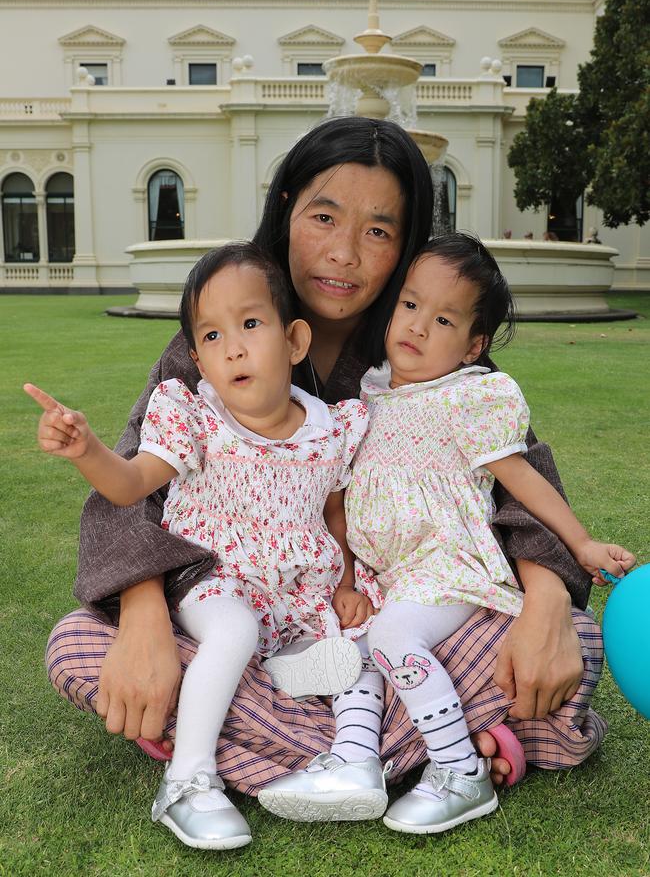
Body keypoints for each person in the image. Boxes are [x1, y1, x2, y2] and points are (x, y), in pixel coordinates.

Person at [46, 117, 604, 800]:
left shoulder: (425, 351)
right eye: (324, 217)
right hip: (243, 622)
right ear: (285, 210)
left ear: (405, 246)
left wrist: (545, 602)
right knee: (80, 646)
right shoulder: (222, 338)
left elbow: (520, 478)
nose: (343, 253)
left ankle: (251, 749)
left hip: (381, 624)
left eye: (378, 230)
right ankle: (435, 747)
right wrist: (141, 617)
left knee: (572, 635)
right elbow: (132, 486)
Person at [258, 234, 634, 833]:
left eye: (443, 319)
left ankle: (461, 770)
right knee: (354, 650)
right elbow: (342, 506)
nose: (418, 327)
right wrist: (350, 580)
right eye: (410, 306)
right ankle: (355, 762)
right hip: (393, 575)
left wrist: (582, 543)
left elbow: (525, 479)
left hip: (448, 562)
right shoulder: (369, 397)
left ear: (472, 346)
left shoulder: (471, 396)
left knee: (394, 638)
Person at [27, 242, 375, 850]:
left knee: (365, 646)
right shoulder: (196, 417)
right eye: (212, 337)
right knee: (234, 632)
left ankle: (332, 741)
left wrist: (347, 583)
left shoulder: (333, 426)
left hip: (299, 595)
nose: (233, 347)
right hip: (214, 578)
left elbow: (336, 511)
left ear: (294, 341)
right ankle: (188, 780)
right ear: (197, 359)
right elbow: (132, 483)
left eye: (250, 324)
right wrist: (88, 452)